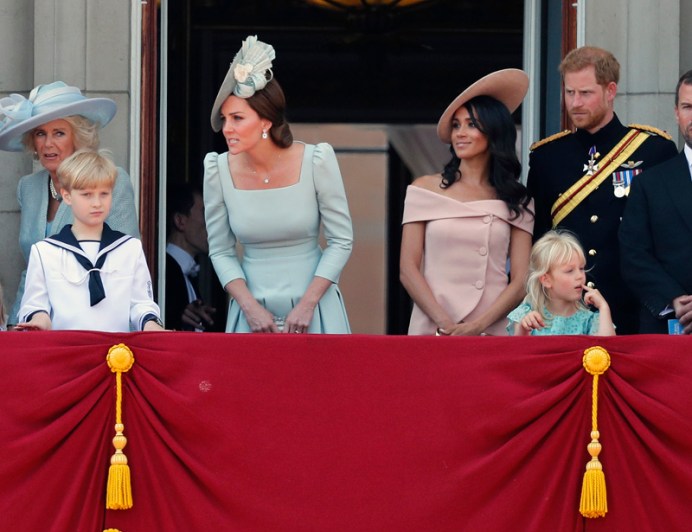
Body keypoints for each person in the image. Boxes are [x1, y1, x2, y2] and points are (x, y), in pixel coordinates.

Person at [204, 35, 353, 334]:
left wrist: (308, 303)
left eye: (237, 118)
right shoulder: (217, 169)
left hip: (316, 310)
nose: (227, 128)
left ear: (266, 122)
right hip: (251, 316)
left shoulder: (317, 160)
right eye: (225, 119)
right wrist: (249, 307)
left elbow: (341, 240)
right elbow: (220, 251)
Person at [526, 46, 678, 335]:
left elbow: (668, 235)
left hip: (634, 309)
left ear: (610, 91)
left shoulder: (654, 150)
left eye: (585, 93)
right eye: (569, 93)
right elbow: (539, 238)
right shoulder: (547, 157)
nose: (575, 103)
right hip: (565, 314)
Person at [400, 69, 535, 336]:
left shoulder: (517, 199)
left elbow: (520, 280)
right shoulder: (424, 188)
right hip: (432, 326)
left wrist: (478, 326)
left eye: (472, 124)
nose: (461, 133)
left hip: (490, 329)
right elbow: (408, 269)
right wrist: (445, 324)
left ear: (494, 132)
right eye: (456, 125)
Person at [0, 81, 139, 328]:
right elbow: (32, 269)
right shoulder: (29, 187)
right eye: (40, 133)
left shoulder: (111, 181)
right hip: (38, 326)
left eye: (59, 133)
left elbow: (127, 264)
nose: (48, 144)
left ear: (79, 137)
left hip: (92, 325)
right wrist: (17, 323)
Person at [16, 150, 163, 332]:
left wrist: (151, 325)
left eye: (104, 194)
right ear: (67, 196)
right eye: (87, 194)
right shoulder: (45, 251)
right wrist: (40, 320)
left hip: (117, 356)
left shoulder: (130, 248)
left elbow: (141, 304)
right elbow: (35, 304)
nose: (97, 203)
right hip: (65, 353)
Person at [619, 70, 692, 334]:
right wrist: (675, 300)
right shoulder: (649, 184)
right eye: (687, 107)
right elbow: (633, 255)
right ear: (676, 113)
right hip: (669, 329)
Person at [507, 230, 615, 336]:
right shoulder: (527, 314)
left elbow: (607, 349)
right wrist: (523, 329)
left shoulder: (589, 320)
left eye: (581, 268)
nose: (580, 276)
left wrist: (603, 307)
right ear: (546, 280)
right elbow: (517, 350)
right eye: (569, 271)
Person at [166, 182, 219, 331]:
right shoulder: (160, 272)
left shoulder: (187, 274)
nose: (212, 224)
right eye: (205, 213)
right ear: (180, 221)